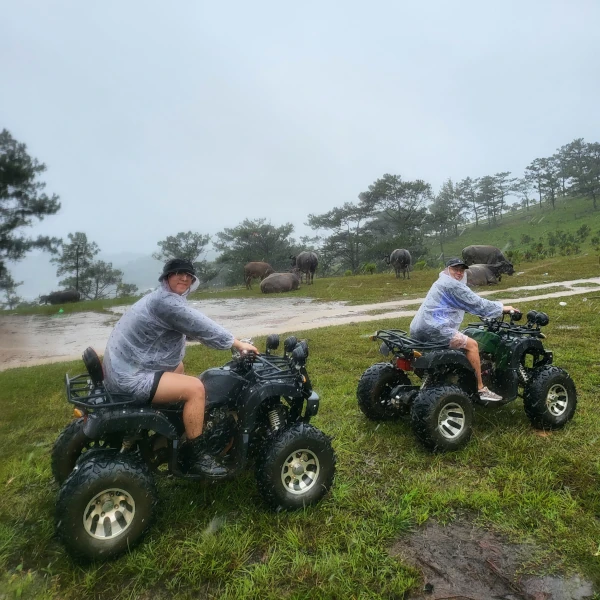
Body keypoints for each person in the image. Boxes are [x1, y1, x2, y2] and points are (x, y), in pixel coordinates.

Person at [102, 258, 258, 477]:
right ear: (167, 277)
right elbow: (201, 325)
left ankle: (171, 429)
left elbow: (185, 327)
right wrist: (237, 343)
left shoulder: (160, 298)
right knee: (196, 389)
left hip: (124, 368)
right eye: (178, 273)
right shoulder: (167, 303)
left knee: (179, 365)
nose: (184, 278)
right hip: (131, 376)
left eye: (188, 275)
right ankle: (198, 454)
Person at [409, 257, 518, 402]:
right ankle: (481, 388)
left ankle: (442, 380)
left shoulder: (441, 282)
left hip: (419, 328)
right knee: (472, 345)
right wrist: (502, 308)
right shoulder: (452, 285)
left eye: (461, 270)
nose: (459, 273)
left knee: (460, 342)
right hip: (435, 329)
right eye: (455, 269)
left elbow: (448, 304)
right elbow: (478, 304)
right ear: (447, 270)